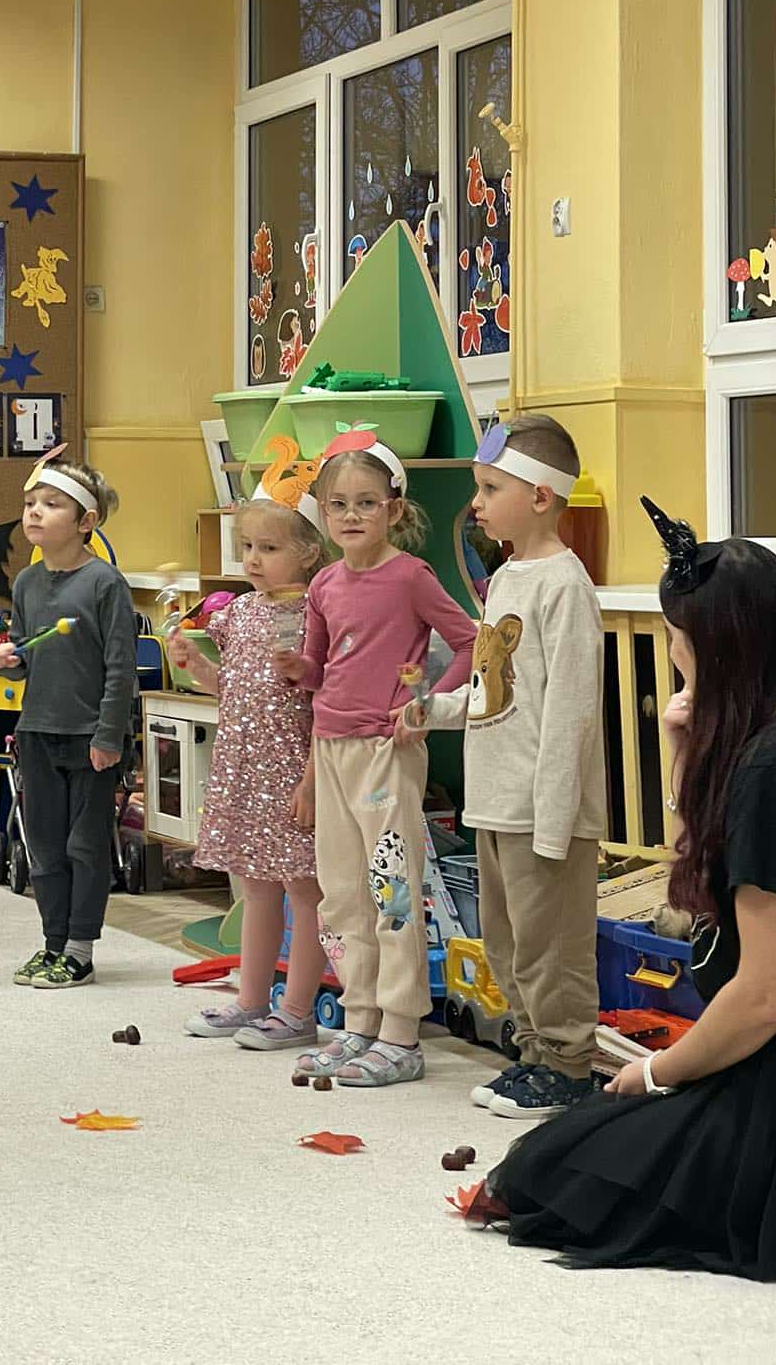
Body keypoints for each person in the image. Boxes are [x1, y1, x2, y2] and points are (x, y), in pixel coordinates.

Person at [472, 502, 776, 1294]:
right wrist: (681, 749)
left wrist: (660, 1072)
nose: (671, 652)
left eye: (673, 635)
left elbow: (766, 994)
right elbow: (698, 880)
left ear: (709, 644)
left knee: (550, 1174)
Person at [282, 427, 477, 1087]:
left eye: (366, 503)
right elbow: (319, 671)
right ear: (322, 512)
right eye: (338, 505)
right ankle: (359, 1019)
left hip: (383, 757)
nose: (352, 516)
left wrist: (429, 706)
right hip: (331, 749)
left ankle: (401, 1032)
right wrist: (298, 670)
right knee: (341, 897)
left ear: (393, 509)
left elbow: (471, 643)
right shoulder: (324, 585)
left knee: (391, 892)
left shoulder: (410, 577)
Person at [433, 413, 603, 1118]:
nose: (476, 503)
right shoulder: (504, 577)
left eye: (489, 488)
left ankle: (567, 1066)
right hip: (495, 801)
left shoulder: (564, 586)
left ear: (539, 496)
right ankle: (533, 1054)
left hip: (542, 810)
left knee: (550, 947)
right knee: (507, 945)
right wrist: (431, 711)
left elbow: (570, 714)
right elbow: (494, 689)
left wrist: (555, 821)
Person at [177, 479, 326, 1051]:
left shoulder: (317, 614)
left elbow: (325, 703)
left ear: (308, 552)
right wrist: (197, 669)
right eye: (247, 547)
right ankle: (251, 1001)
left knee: (305, 891)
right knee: (257, 887)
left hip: (293, 771)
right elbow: (235, 690)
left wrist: (311, 781)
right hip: (244, 770)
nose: (254, 560)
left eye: (269, 548)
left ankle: (297, 1011)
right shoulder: (237, 613)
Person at [0, 449, 135, 990]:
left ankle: (79, 949)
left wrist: (109, 735)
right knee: (44, 846)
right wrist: (9, 660)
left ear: (85, 521)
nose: (35, 512)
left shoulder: (105, 583)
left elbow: (120, 668)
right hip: (37, 732)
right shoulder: (27, 582)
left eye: (51, 504)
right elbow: (27, 654)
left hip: (90, 736)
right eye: (31, 503)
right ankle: (52, 943)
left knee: (84, 846)